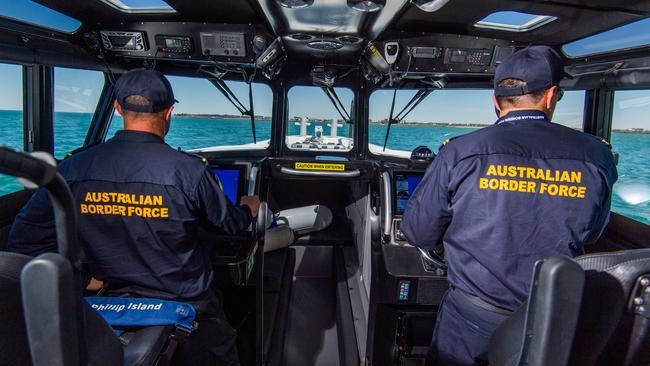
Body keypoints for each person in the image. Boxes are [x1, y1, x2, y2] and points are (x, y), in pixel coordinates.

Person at [7, 68, 260, 365]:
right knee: (222, 347)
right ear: (169, 113)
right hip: (184, 305)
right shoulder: (189, 171)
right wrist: (247, 208)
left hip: (104, 305)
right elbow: (231, 227)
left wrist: (85, 279)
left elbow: (23, 241)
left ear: (116, 108)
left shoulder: (72, 170)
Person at [401, 46, 617, 366]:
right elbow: (593, 231)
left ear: (496, 101)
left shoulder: (460, 152)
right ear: (550, 96)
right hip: (551, 320)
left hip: (472, 318)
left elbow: (418, 232)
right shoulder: (596, 155)